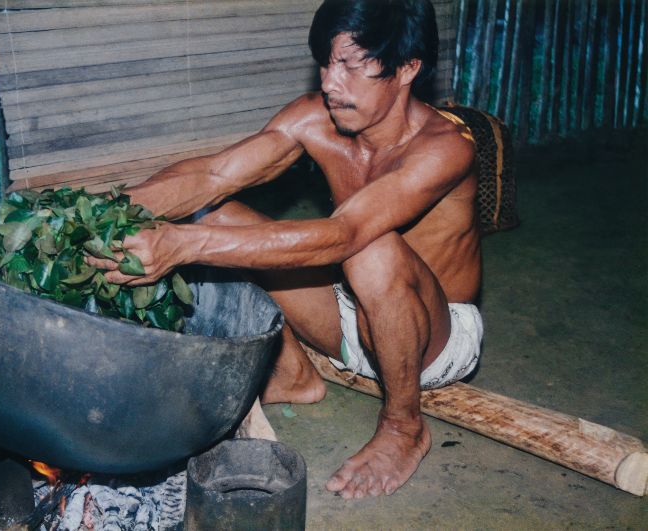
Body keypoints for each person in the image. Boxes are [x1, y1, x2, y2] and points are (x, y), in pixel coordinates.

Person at [86, 0, 482, 498]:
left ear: (407, 69)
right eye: (326, 63)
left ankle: (404, 427)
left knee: (370, 249)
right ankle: (293, 374)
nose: (330, 83)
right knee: (215, 212)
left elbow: (345, 234)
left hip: (433, 341)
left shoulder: (446, 147)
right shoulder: (315, 118)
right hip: (348, 317)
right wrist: (94, 215)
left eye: (351, 66)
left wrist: (184, 245)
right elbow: (212, 175)